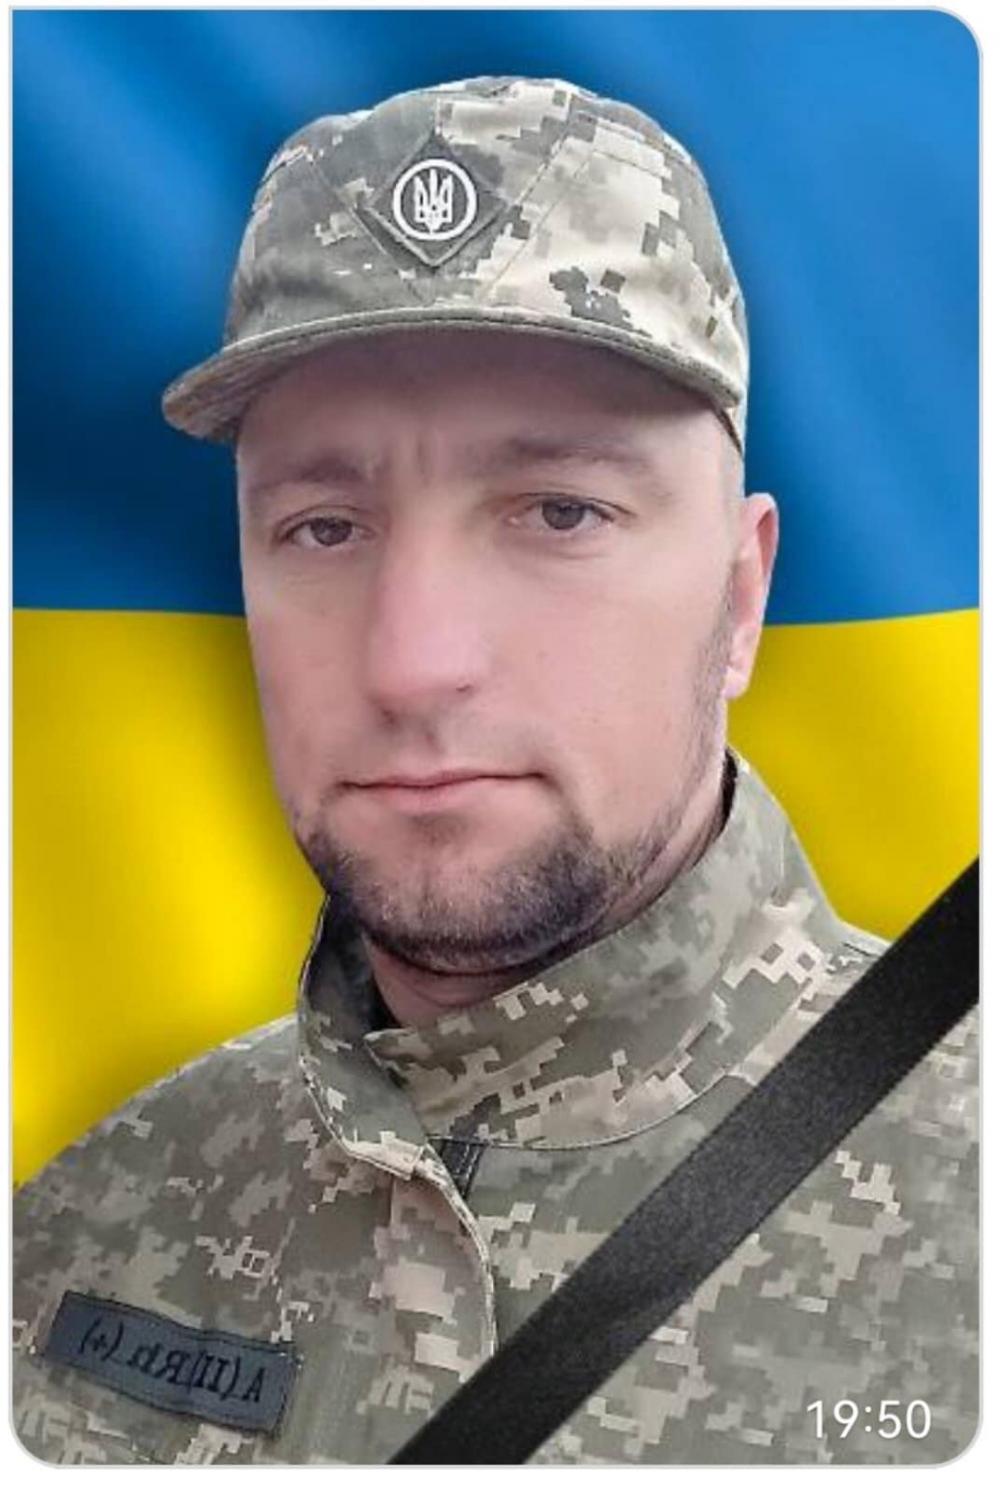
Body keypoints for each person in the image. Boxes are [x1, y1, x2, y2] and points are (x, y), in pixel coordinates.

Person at [12, 75, 977, 1466]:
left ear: (742, 598)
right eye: (324, 526)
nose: (413, 663)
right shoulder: (80, 1236)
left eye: (561, 512)